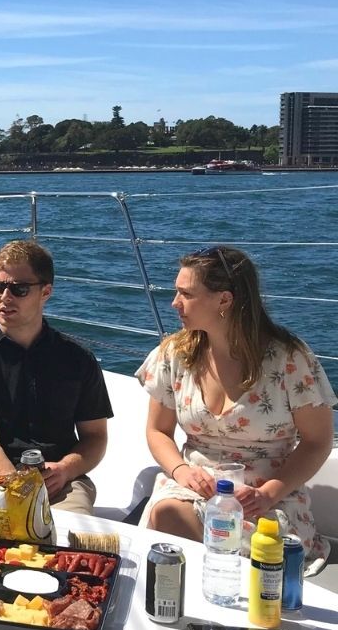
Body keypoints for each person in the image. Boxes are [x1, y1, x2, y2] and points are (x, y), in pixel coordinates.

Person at [137, 245, 336, 572]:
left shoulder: (288, 359)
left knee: (264, 548)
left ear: (224, 300)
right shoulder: (175, 355)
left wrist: (270, 493)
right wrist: (181, 471)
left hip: (266, 494)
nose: (174, 303)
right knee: (168, 513)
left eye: (185, 294)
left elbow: (317, 442)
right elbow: (157, 431)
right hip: (195, 488)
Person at [0, 240, 113, 514]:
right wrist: (20, 489)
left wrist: (65, 469)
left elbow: (95, 437)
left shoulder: (78, 360)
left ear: (45, 292)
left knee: (65, 544)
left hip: (61, 483)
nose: (4, 297)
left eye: (18, 289)